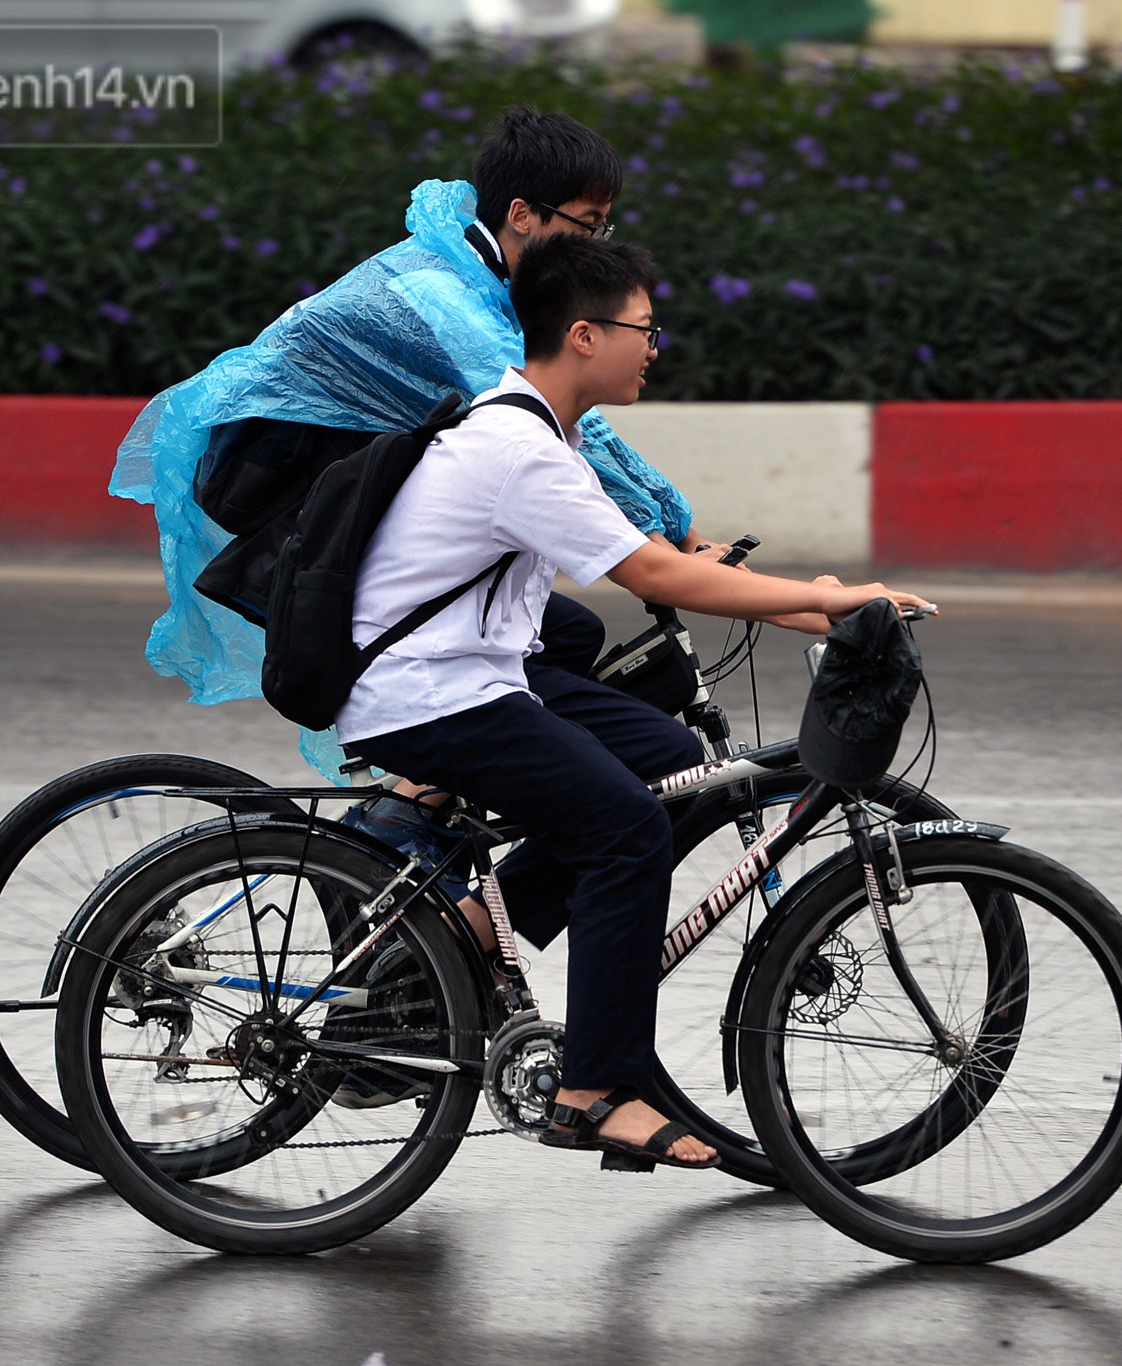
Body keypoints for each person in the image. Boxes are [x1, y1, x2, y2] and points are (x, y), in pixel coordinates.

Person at [338, 233, 931, 1169]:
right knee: (625, 830)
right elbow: (649, 568)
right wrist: (826, 598)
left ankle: (459, 931)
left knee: (676, 768)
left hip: (481, 673)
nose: (656, 347)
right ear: (583, 334)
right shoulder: (517, 447)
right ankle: (589, 1091)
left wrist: (812, 612)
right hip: (431, 694)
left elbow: (660, 557)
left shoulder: (548, 432)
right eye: (644, 329)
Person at [108, 106, 746, 789]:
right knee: (530, 666)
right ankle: (419, 817)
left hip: (352, 495)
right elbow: (570, 430)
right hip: (298, 512)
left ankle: (445, 803)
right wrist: (676, 528)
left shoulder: (482, 276)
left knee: (566, 634)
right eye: (587, 224)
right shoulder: (444, 296)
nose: (597, 242)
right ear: (524, 214)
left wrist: (672, 525)